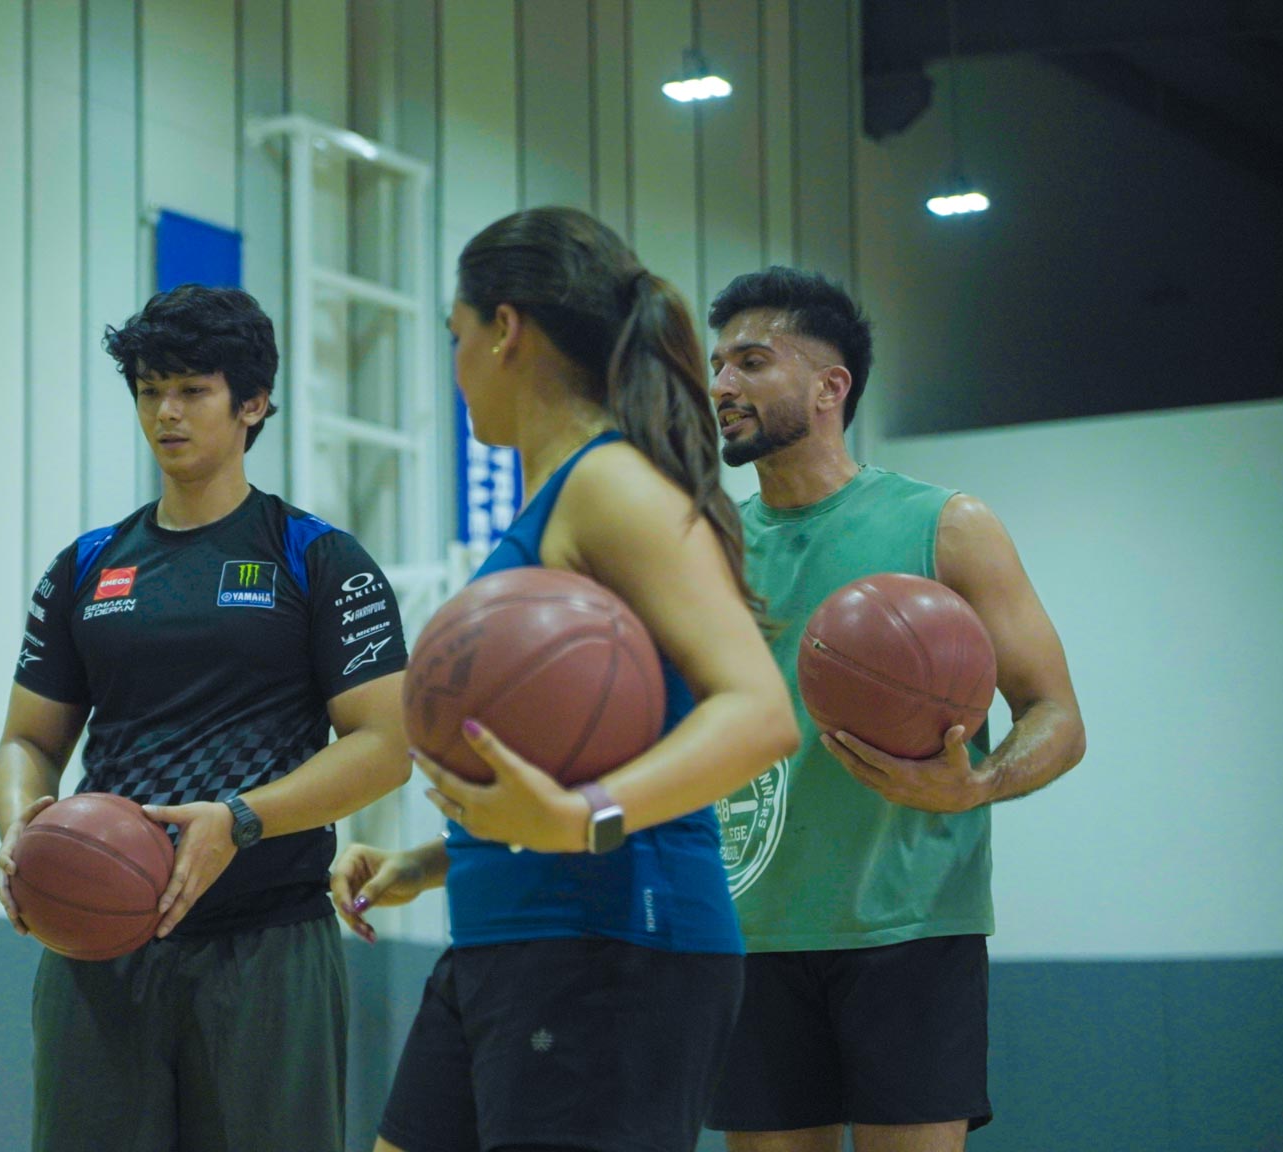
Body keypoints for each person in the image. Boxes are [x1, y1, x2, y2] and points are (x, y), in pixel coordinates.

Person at [331, 207, 800, 1152]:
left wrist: (586, 816)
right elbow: (570, 743)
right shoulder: (558, 501)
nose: (453, 364)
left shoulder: (611, 485)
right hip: (509, 938)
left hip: (617, 946)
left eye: (454, 336)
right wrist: (438, 859)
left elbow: (759, 713)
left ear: (504, 331)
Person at [0, 284, 412, 1152]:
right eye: (149, 390)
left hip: (268, 945)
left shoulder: (319, 557)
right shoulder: (85, 566)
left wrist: (242, 820)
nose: (165, 413)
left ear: (252, 403)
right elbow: (27, 742)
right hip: (98, 946)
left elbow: (387, 747)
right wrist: (17, 825)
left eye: (192, 390)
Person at [702, 268, 1087, 1152]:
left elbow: (1057, 715)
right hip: (750, 931)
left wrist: (977, 784)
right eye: (718, 365)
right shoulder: (707, 547)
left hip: (910, 928)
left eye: (751, 362)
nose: (722, 386)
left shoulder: (947, 525)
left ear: (830, 387)